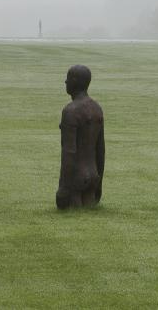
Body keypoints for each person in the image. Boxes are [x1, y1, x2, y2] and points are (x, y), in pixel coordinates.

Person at [56, 65, 105, 210]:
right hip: (93, 176)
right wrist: (99, 182)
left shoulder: (70, 111)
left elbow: (69, 153)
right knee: (88, 209)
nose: (65, 82)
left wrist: (64, 188)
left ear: (75, 81)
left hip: (77, 178)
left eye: (68, 78)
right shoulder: (96, 108)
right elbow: (100, 150)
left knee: (68, 208)